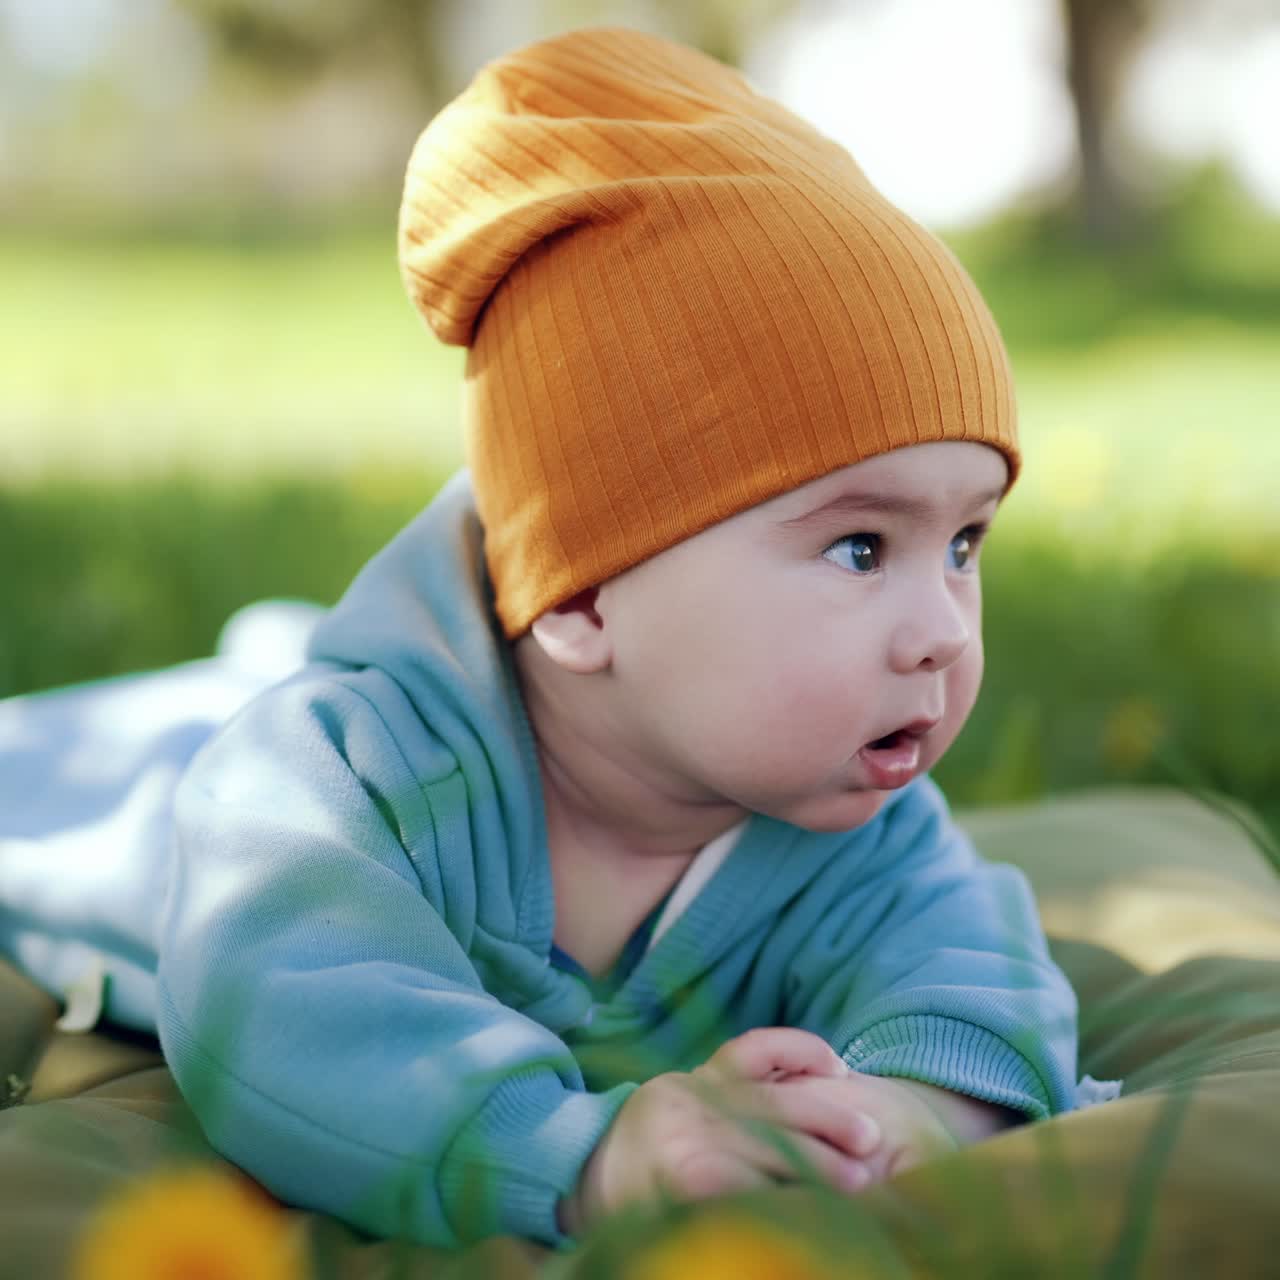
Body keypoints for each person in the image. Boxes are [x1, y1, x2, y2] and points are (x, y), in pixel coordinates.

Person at [0, 25, 1113, 1251]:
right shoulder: (340, 783)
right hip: (139, 782)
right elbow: (286, 1003)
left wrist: (908, 1106)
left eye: (964, 544)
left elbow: (972, 978)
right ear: (582, 596)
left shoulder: (843, 824)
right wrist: (579, 1153)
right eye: (859, 547)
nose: (941, 631)